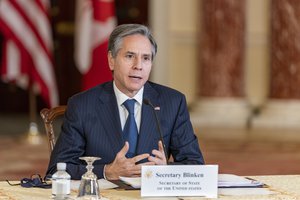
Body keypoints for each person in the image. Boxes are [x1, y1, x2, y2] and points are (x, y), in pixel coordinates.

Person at [46, 24, 204, 180]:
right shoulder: (82, 105)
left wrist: (165, 170)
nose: (138, 66)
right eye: (130, 56)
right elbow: (56, 170)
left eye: (146, 58)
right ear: (111, 60)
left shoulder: (173, 103)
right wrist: (107, 172)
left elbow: (196, 166)